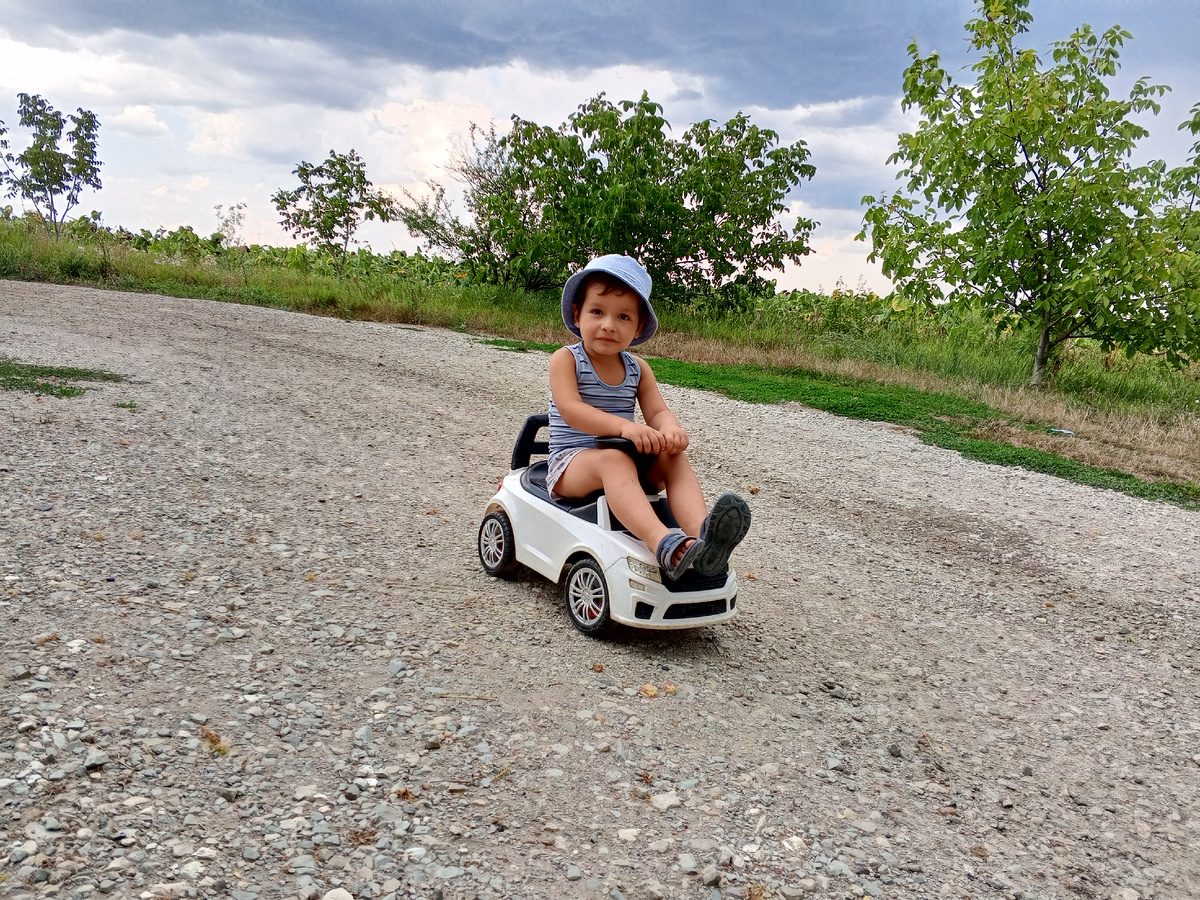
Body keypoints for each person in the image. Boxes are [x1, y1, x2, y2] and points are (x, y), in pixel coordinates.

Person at [546, 254, 751, 580]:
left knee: (674, 457)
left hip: (625, 460)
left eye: (624, 317)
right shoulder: (566, 359)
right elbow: (572, 410)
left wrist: (670, 429)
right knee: (612, 460)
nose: (609, 324)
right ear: (577, 314)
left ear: (638, 326)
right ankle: (664, 543)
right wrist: (626, 427)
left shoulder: (637, 369)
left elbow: (656, 411)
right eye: (597, 312)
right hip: (572, 465)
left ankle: (704, 539)